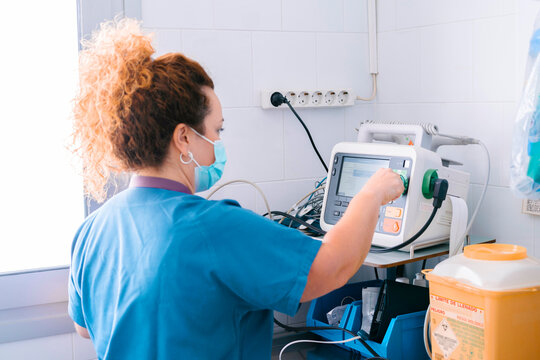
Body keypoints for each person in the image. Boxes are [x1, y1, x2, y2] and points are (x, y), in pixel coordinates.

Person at [68, 18, 404, 359]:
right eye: (217, 131)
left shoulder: (91, 230)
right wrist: (371, 194)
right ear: (184, 137)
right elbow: (332, 267)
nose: (217, 143)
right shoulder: (212, 227)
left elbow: (85, 328)